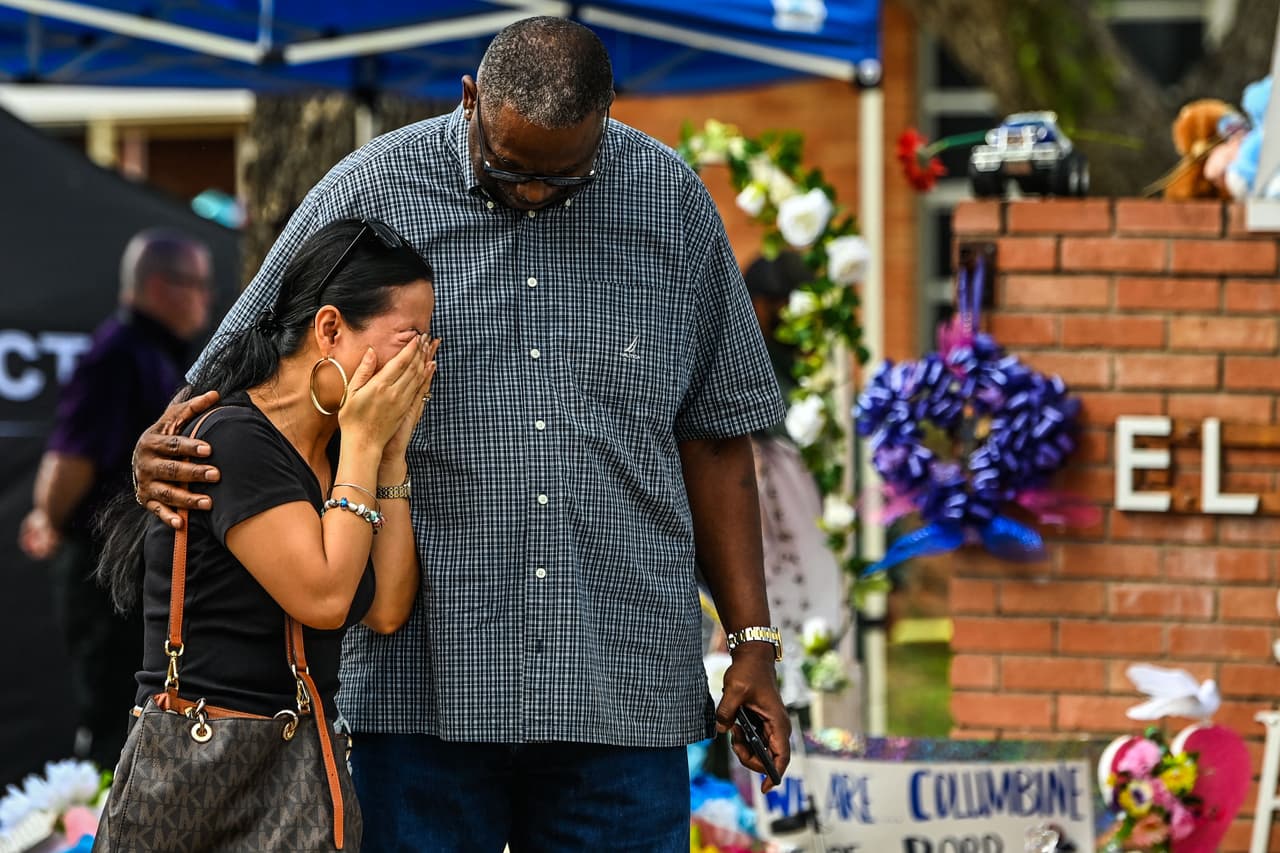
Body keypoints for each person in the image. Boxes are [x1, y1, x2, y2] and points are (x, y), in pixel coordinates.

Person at [132, 16, 790, 851]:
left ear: (608, 115)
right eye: (511, 170)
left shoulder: (673, 204)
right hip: (419, 697)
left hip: (619, 685)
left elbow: (718, 437)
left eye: (564, 177)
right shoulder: (370, 190)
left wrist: (753, 641)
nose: (535, 195)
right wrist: (157, 448)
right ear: (471, 99)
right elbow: (241, 374)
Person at [94, 217, 437, 850]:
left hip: (296, 775)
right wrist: (365, 442)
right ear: (329, 329)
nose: (423, 362)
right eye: (409, 339)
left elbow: (386, 609)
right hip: (204, 774)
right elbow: (326, 598)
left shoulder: (337, 455)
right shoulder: (235, 441)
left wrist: (389, 455)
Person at [17, 228, 212, 769]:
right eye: (198, 285)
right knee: (114, 721)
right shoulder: (117, 355)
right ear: (161, 286)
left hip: (142, 571)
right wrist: (48, 515)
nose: (207, 299)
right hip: (105, 576)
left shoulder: (158, 355)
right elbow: (70, 460)